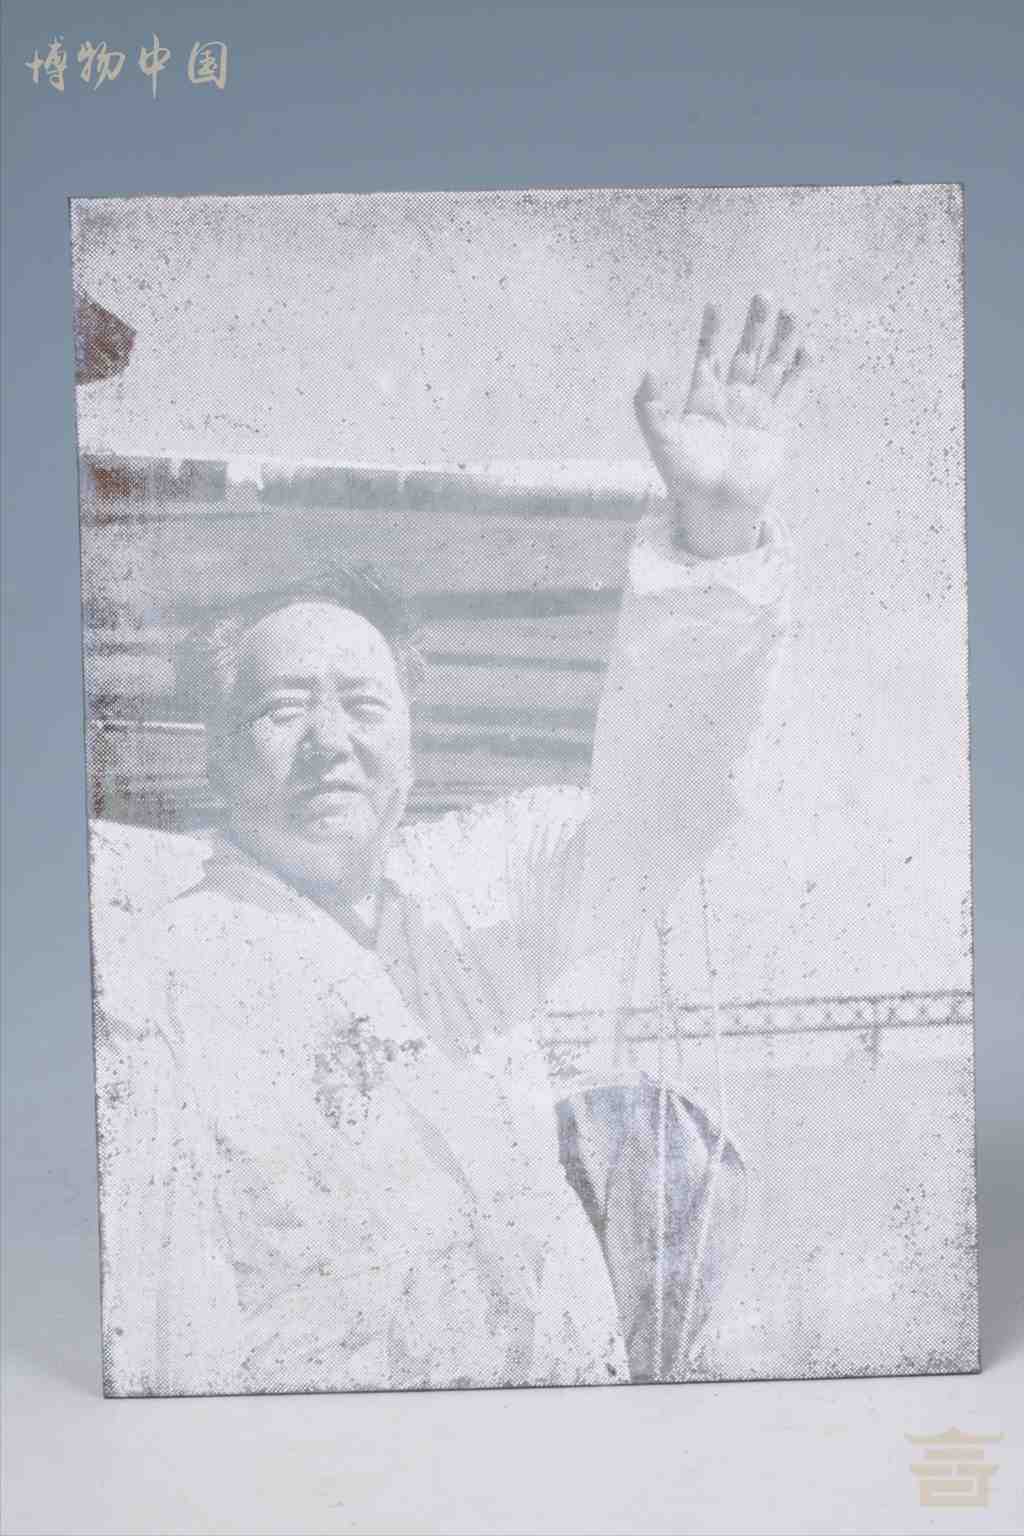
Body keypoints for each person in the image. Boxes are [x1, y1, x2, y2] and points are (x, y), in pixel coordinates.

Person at [93, 296, 807, 1395]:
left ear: (410, 738)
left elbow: (664, 802)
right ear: (222, 753)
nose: (330, 742)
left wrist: (711, 541)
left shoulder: (476, 888)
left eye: (363, 705)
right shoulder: (154, 971)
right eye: (283, 708)